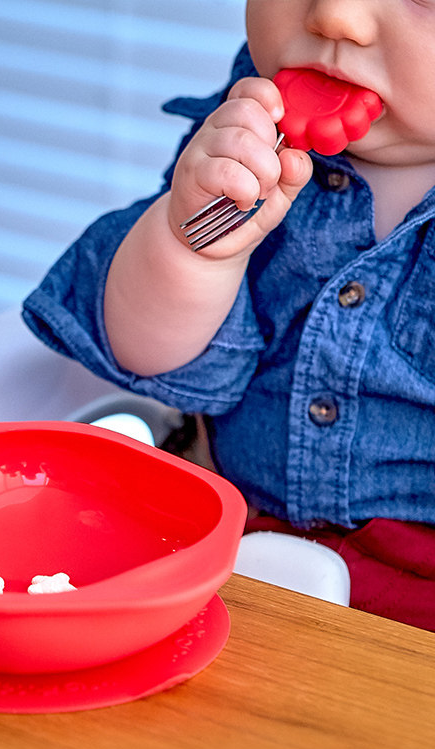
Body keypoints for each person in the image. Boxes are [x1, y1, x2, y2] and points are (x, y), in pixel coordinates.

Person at [22, 0, 435, 632]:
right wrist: (191, 247)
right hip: (225, 539)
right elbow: (148, 352)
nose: (336, 17)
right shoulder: (247, 133)